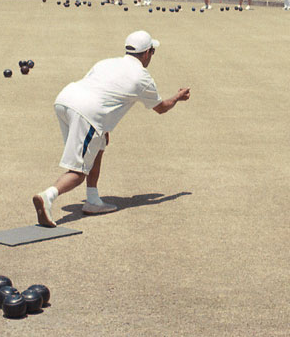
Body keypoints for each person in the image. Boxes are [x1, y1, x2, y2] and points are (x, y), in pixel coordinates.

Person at [32, 30, 191, 226]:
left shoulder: (106, 62)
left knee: (98, 145)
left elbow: (97, 88)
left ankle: (93, 201)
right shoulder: (143, 78)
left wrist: (103, 127)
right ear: (147, 53)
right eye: (152, 51)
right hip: (87, 112)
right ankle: (47, 196)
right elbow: (161, 108)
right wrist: (177, 97)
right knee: (78, 171)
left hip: (64, 100)